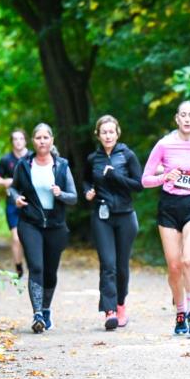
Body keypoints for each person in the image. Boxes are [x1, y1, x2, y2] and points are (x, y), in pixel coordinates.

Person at [142, 100, 190, 338]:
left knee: (189, 258)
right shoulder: (165, 144)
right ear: (177, 119)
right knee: (174, 266)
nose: (188, 119)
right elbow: (145, 179)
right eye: (183, 115)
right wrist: (165, 177)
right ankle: (180, 313)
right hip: (169, 207)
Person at [11, 123, 78, 333]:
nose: (42, 141)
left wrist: (60, 194)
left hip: (56, 225)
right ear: (33, 141)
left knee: (50, 272)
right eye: (38, 138)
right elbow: (13, 188)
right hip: (30, 222)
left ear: (52, 140)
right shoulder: (23, 165)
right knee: (37, 267)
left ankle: (46, 309)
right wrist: (16, 198)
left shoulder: (62, 166)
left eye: (45, 138)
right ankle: (37, 314)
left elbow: (73, 197)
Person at [84, 114, 143, 330]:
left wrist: (114, 176)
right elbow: (86, 180)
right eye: (104, 132)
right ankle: (109, 311)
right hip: (102, 216)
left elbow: (139, 184)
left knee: (121, 266)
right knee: (107, 264)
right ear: (98, 135)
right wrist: (87, 191)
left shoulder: (127, 155)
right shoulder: (93, 159)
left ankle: (120, 306)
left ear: (117, 133)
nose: (108, 135)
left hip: (126, 216)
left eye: (111, 131)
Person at [0, 129, 29, 277]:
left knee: (29, 237)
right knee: (16, 237)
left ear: (26, 140)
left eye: (21, 138)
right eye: (15, 139)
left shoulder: (33, 157)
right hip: (12, 202)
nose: (18, 141)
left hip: (31, 202)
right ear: (12, 142)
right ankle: (19, 267)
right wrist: (5, 181)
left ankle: (35, 266)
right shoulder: (6, 160)